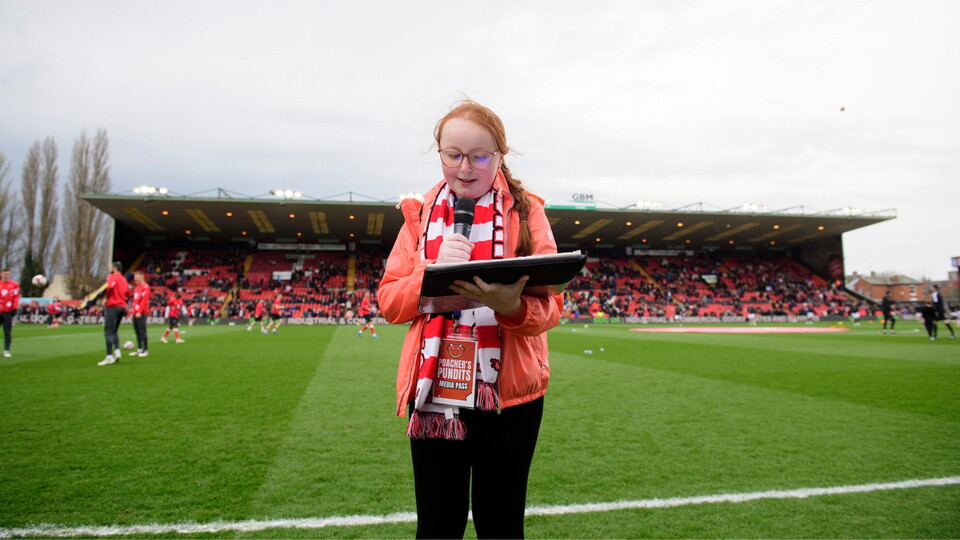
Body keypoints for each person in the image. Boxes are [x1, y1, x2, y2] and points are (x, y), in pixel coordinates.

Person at [378, 100, 562, 539]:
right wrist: (429, 270)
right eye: (453, 155)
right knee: (438, 526)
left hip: (509, 398)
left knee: (501, 525)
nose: (465, 168)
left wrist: (509, 304)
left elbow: (551, 307)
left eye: (480, 156)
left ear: (500, 155)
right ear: (437, 152)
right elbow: (389, 302)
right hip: (436, 390)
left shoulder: (526, 212)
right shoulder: (419, 215)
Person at [98, 262, 131, 366]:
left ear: (114, 268)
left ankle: (109, 356)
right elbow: (129, 293)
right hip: (122, 306)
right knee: (114, 330)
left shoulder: (112, 276)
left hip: (113, 305)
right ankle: (117, 350)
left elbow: (110, 287)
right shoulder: (124, 279)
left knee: (108, 331)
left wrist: (106, 298)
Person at [130, 271, 151, 357]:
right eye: (135, 278)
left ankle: (145, 350)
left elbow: (144, 301)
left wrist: (139, 312)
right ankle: (139, 349)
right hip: (136, 312)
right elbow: (135, 301)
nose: (136, 280)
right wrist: (132, 312)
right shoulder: (136, 287)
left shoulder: (145, 287)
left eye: (138, 278)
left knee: (142, 331)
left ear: (142, 277)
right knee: (137, 331)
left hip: (142, 313)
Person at [0, 268, 19, 358]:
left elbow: (16, 297)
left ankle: (6, 350)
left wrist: (14, 308)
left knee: (7, 332)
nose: (6, 276)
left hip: (7, 313)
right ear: (1, 274)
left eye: (8, 274)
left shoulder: (14, 285)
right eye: (5, 274)